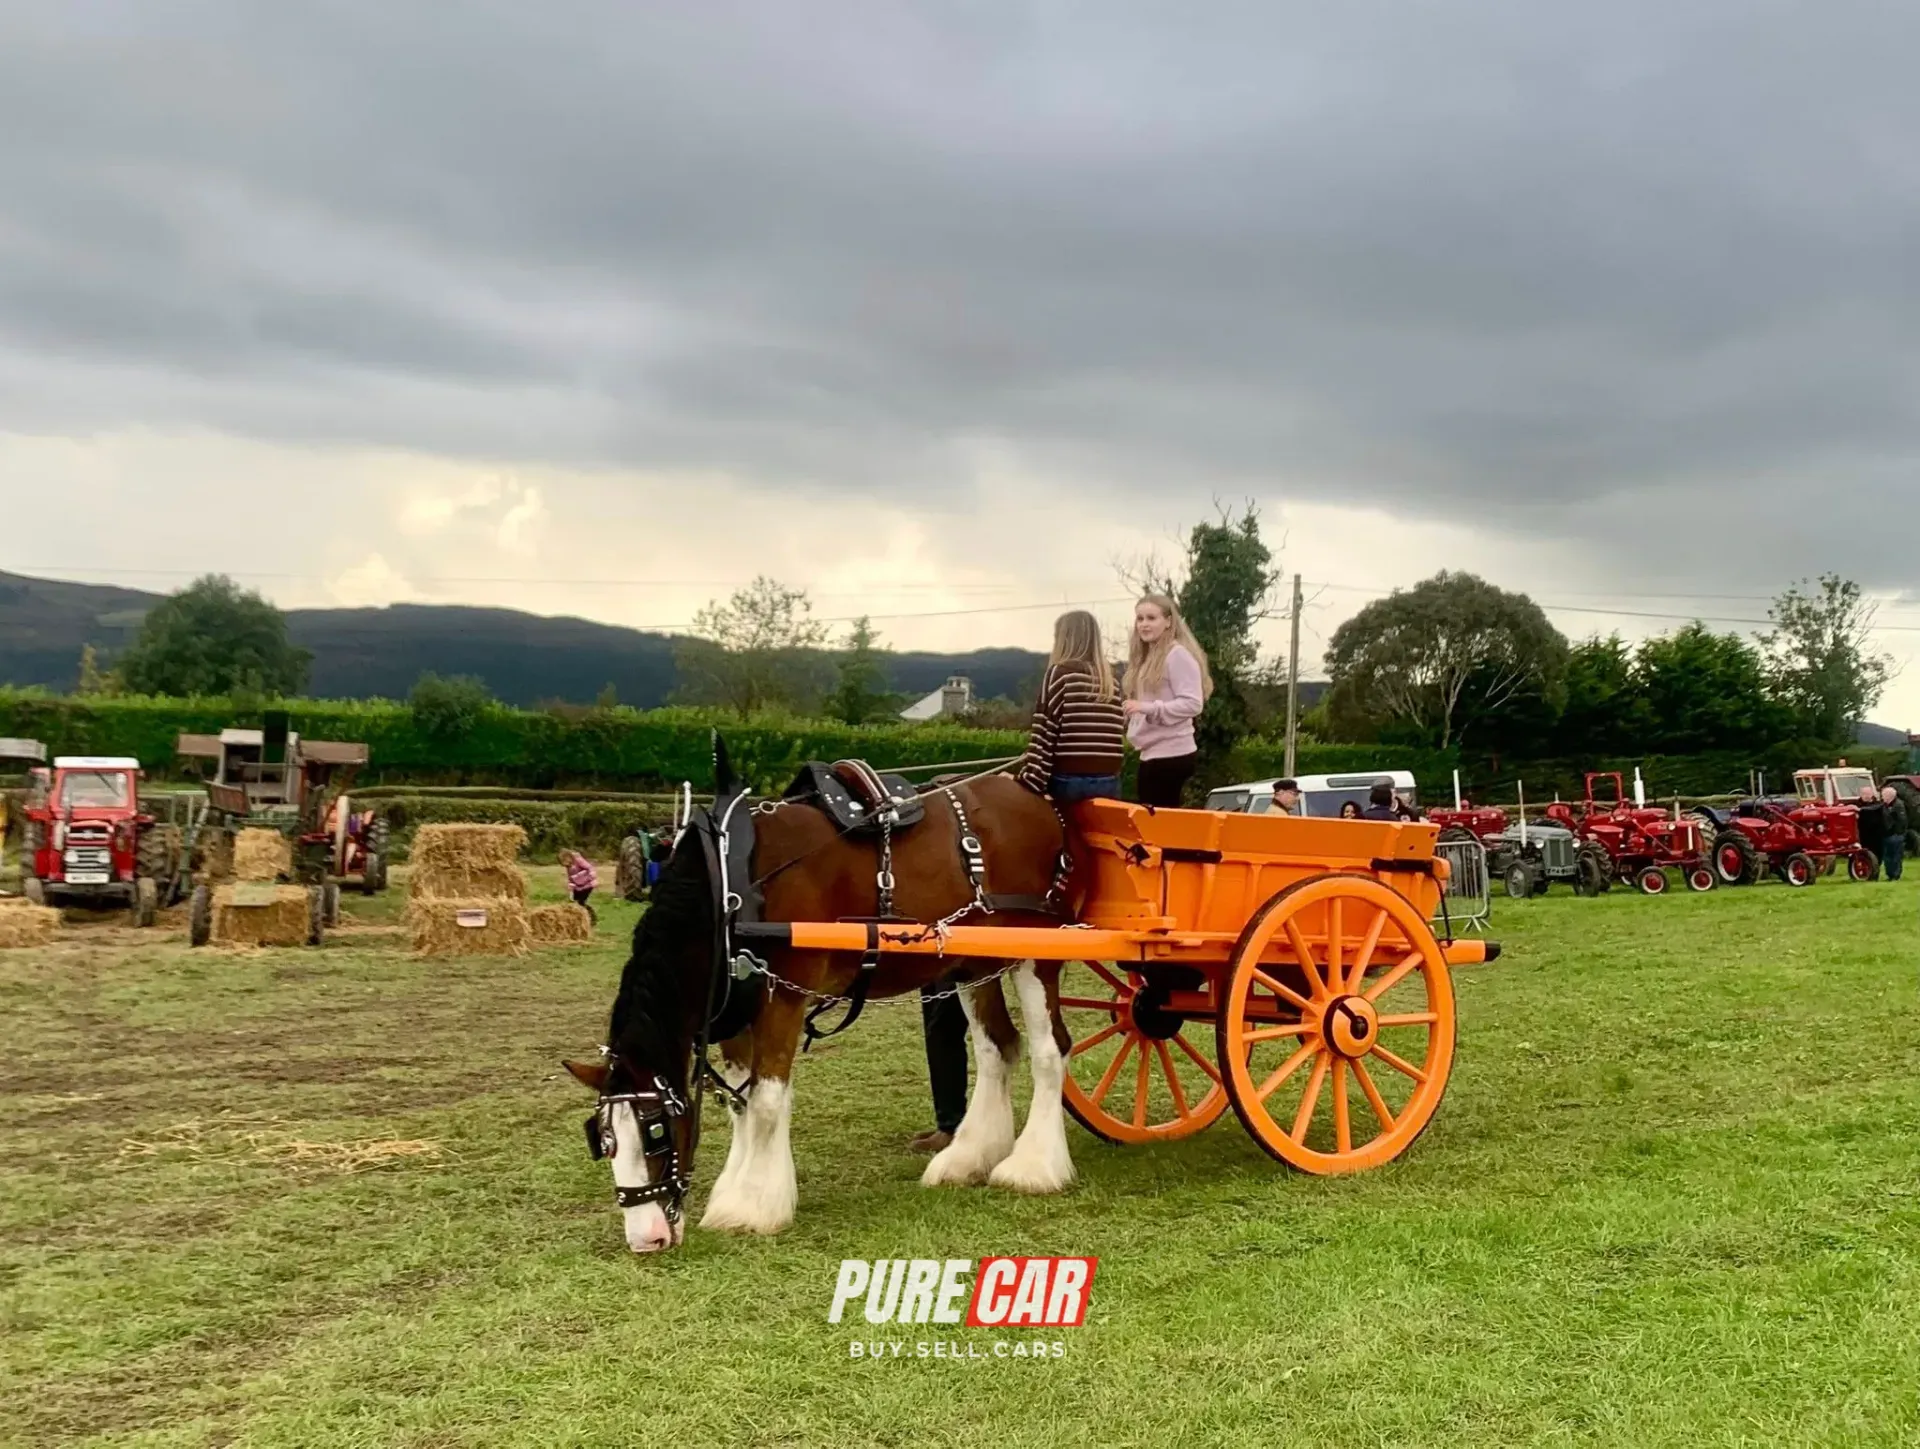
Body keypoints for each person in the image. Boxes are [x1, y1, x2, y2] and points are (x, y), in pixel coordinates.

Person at [1016, 610, 1127, 803]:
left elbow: (1044, 735)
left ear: (1063, 639)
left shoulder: (1059, 674)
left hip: (1069, 783)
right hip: (1109, 782)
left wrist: (1027, 780)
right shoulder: (1111, 682)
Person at [1124, 594, 1212, 808]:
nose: (1144, 624)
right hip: (1151, 753)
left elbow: (1193, 703)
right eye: (1140, 618)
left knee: (1159, 826)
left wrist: (1146, 708)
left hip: (1172, 754)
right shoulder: (1146, 658)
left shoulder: (1177, 655)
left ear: (1169, 622)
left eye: (1151, 618)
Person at [562, 848, 599, 924]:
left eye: (564, 861)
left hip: (587, 885)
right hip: (578, 887)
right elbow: (570, 878)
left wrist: (591, 877)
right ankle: (577, 919)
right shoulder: (568, 867)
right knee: (574, 902)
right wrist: (571, 888)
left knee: (581, 902)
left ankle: (592, 918)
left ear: (568, 857)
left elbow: (589, 868)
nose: (564, 864)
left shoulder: (578, 860)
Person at [1882, 784, 1908, 881]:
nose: (1882, 797)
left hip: (1896, 835)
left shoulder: (1899, 805)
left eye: (1884, 795)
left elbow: (1902, 821)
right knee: (1887, 857)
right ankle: (1889, 875)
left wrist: (1899, 833)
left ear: (1890, 796)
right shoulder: (1884, 805)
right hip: (1886, 835)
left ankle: (1896, 875)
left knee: (1896, 856)